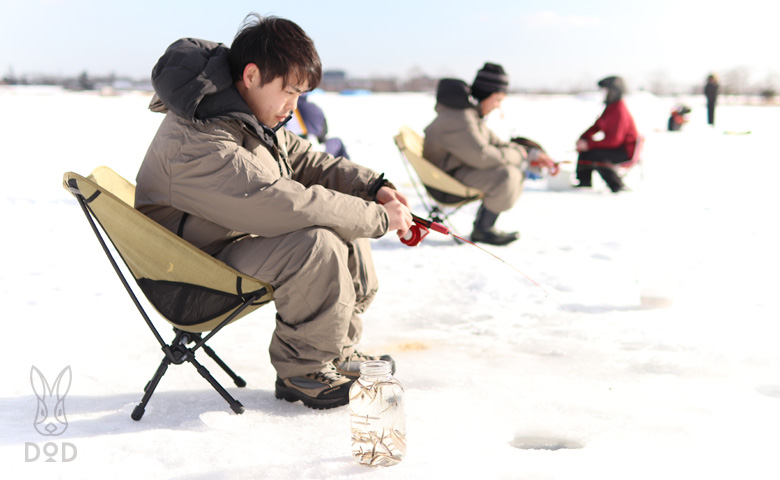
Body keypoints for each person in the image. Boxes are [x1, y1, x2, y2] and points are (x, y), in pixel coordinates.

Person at [134, 14, 413, 410]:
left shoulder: (240, 115)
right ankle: (303, 370)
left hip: (215, 245)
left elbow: (306, 159)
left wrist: (373, 187)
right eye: (289, 92)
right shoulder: (200, 140)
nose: (292, 106)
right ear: (251, 75)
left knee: (340, 224)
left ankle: (337, 349)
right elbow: (282, 204)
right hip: (188, 274)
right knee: (316, 241)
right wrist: (380, 218)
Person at [422, 62, 555, 246]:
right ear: (487, 94)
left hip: (452, 172)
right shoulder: (459, 118)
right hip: (445, 182)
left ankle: (484, 227)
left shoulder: (468, 115)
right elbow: (483, 156)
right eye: (498, 100)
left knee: (510, 170)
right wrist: (522, 155)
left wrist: (529, 153)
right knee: (507, 176)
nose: (498, 107)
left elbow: (497, 144)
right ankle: (483, 230)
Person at [574, 76, 638, 193]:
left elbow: (615, 141)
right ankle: (584, 182)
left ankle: (617, 186)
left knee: (596, 155)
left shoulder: (619, 110)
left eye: (606, 90)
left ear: (614, 91)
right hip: (615, 148)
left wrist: (589, 144)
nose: (604, 93)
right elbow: (597, 126)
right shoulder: (610, 107)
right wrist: (583, 139)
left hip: (624, 151)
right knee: (587, 152)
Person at [286, 93, 351, 158]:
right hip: (311, 151)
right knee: (337, 142)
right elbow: (323, 133)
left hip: (291, 148)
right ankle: (348, 167)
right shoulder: (314, 108)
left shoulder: (285, 108)